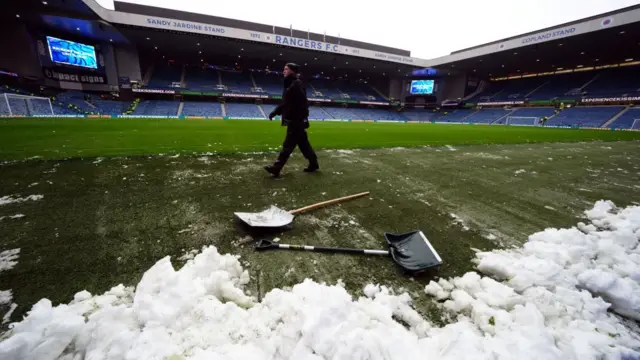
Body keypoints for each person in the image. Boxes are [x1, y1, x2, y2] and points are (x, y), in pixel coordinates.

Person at [264, 62, 319, 177]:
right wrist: (275, 112)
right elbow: (286, 103)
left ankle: (277, 167)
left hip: (296, 121)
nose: (284, 71)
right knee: (304, 145)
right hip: (295, 120)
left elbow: (303, 103)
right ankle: (313, 164)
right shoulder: (290, 84)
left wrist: (302, 118)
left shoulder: (296, 84)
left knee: (288, 145)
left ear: (293, 71)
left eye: (286, 69)